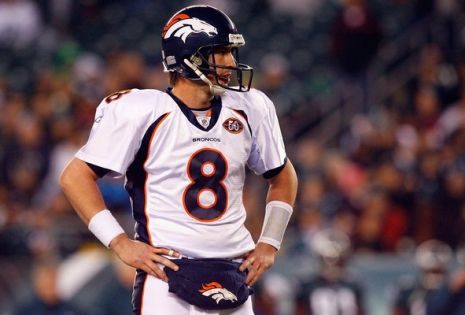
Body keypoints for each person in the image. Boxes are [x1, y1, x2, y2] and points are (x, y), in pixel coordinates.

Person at [59, 4, 297, 315]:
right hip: (167, 274)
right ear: (188, 57)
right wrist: (118, 241)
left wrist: (269, 241)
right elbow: (74, 176)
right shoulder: (143, 110)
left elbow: (283, 175)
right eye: (221, 52)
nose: (230, 62)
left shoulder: (250, 107)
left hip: (234, 273)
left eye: (231, 52)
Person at [295, 228, 365, 315]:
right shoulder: (306, 285)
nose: (331, 266)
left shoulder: (353, 284)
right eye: (327, 260)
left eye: (336, 261)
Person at [391, 239, 452, 315]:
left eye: (437, 271)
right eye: (429, 271)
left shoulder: (452, 291)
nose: (433, 276)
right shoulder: (408, 289)